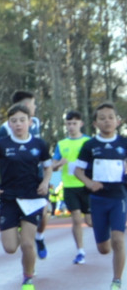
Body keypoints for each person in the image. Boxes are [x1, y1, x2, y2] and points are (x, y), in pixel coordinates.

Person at [0, 103, 52, 290]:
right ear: (9, 124)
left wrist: (46, 183)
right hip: (9, 199)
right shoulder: (1, 144)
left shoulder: (39, 144)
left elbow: (48, 168)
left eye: (22, 120)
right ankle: (21, 235)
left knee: (28, 245)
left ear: (30, 122)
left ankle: (28, 283)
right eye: (14, 121)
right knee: (11, 248)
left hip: (32, 198)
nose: (18, 124)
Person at [72, 103, 126, 290]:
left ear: (118, 121)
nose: (107, 121)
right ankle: (108, 241)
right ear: (95, 123)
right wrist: (89, 182)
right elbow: (77, 171)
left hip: (119, 197)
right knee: (104, 249)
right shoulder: (90, 146)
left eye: (111, 117)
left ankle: (117, 283)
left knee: (119, 240)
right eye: (102, 118)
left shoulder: (124, 143)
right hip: (98, 200)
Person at [0, 91, 49, 258]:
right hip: (14, 184)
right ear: (27, 105)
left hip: (37, 179)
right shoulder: (5, 130)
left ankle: (38, 237)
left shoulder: (36, 123)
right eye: (34, 104)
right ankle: (23, 235)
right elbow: (1, 156)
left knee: (44, 211)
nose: (35, 107)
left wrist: (46, 176)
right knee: (14, 245)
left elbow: (38, 151)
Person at [52, 110, 91, 264]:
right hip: (69, 186)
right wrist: (58, 164)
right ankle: (80, 251)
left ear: (81, 124)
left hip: (86, 184)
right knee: (76, 218)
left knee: (90, 221)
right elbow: (52, 166)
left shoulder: (88, 142)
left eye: (74, 123)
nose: (71, 127)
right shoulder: (61, 144)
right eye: (69, 124)